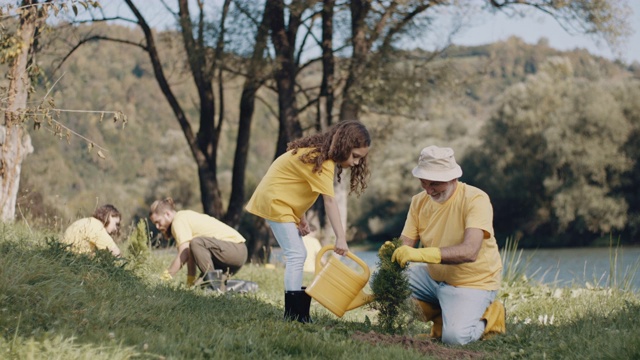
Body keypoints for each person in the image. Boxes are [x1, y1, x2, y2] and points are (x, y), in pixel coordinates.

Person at [246, 120, 371, 323]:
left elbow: (295, 184)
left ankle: (297, 312)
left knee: (298, 253)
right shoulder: (322, 160)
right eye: (355, 156)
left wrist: (301, 217)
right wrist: (341, 238)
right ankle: (294, 315)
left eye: (360, 159)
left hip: (280, 200)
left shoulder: (319, 155)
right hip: (275, 201)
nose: (356, 163)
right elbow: (329, 201)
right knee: (297, 254)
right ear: (345, 146)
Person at [390, 145, 506, 345]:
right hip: (434, 279)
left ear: (453, 178)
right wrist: (394, 251)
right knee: (386, 280)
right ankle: (444, 312)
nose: (428, 190)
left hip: (472, 282)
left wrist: (421, 255)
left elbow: (470, 251)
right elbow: (405, 243)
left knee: (454, 339)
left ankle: (492, 316)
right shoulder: (418, 202)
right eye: (423, 183)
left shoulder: (476, 199)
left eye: (434, 183)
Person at [149, 198, 248, 291]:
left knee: (196, 243)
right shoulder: (183, 218)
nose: (157, 226)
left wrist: (165, 278)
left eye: (158, 222)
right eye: (155, 224)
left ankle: (214, 285)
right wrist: (190, 283)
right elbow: (190, 254)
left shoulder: (178, 221)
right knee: (200, 288)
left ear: (167, 214)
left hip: (235, 249)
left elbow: (184, 254)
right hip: (232, 254)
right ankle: (245, 288)